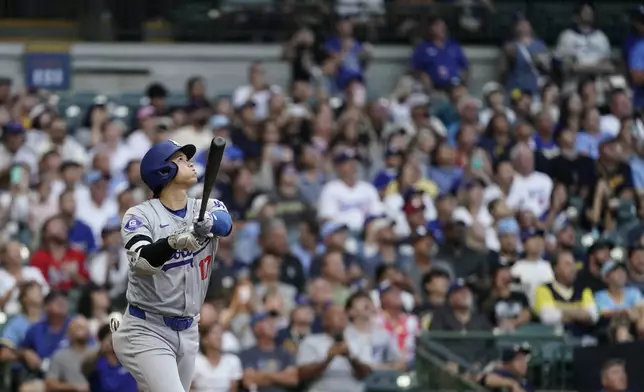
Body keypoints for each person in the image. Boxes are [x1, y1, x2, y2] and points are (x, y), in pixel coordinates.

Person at [110, 139, 233, 392]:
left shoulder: (205, 207)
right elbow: (143, 261)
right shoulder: (140, 215)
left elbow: (225, 224)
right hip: (146, 328)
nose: (189, 162)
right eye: (179, 159)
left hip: (189, 329)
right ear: (162, 170)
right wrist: (173, 242)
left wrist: (207, 223)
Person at [82, 323, 137, 392]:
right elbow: (85, 368)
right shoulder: (96, 363)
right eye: (110, 340)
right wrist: (100, 350)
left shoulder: (129, 359)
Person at [191, 323, 242, 392]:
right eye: (214, 333)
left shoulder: (232, 361)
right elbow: (189, 388)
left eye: (220, 333)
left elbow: (233, 389)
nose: (219, 337)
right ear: (205, 339)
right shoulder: (195, 362)